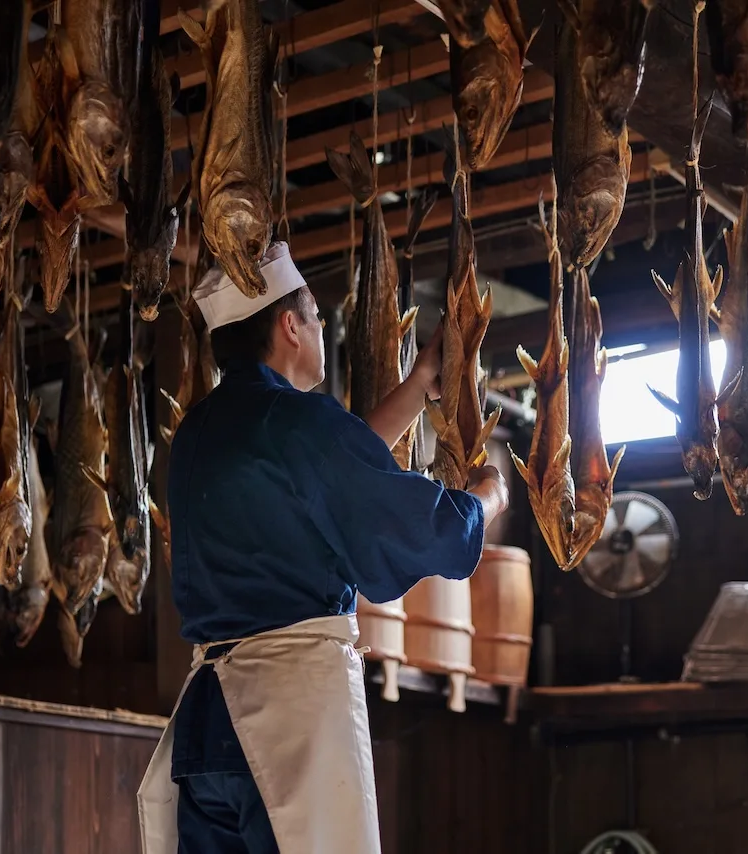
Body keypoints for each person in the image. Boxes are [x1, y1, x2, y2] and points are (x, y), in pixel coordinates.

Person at [137, 241, 509, 854]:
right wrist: (489, 497)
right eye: (312, 314)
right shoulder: (296, 423)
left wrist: (420, 383)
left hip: (209, 726)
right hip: (287, 717)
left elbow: (324, 468)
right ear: (289, 325)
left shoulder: (200, 433)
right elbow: (428, 528)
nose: (315, 325)